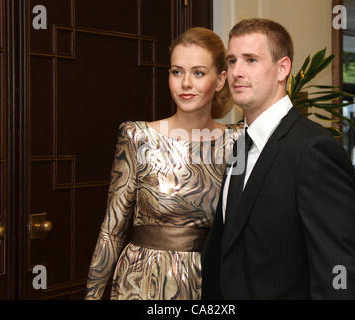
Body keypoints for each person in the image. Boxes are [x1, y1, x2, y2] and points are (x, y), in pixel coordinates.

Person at [201, 18, 355, 299]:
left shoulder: (314, 149)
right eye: (231, 61)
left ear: (283, 68)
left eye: (251, 60)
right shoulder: (241, 146)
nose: (236, 72)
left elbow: (340, 268)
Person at [85, 27, 240, 300]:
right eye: (176, 71)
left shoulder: (236, 141)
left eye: (198, 73)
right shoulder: (138, 137)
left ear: (220, 80)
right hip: (141, 280)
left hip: (210, 281)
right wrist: (92, 296)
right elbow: (112, 228)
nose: (185, 83)